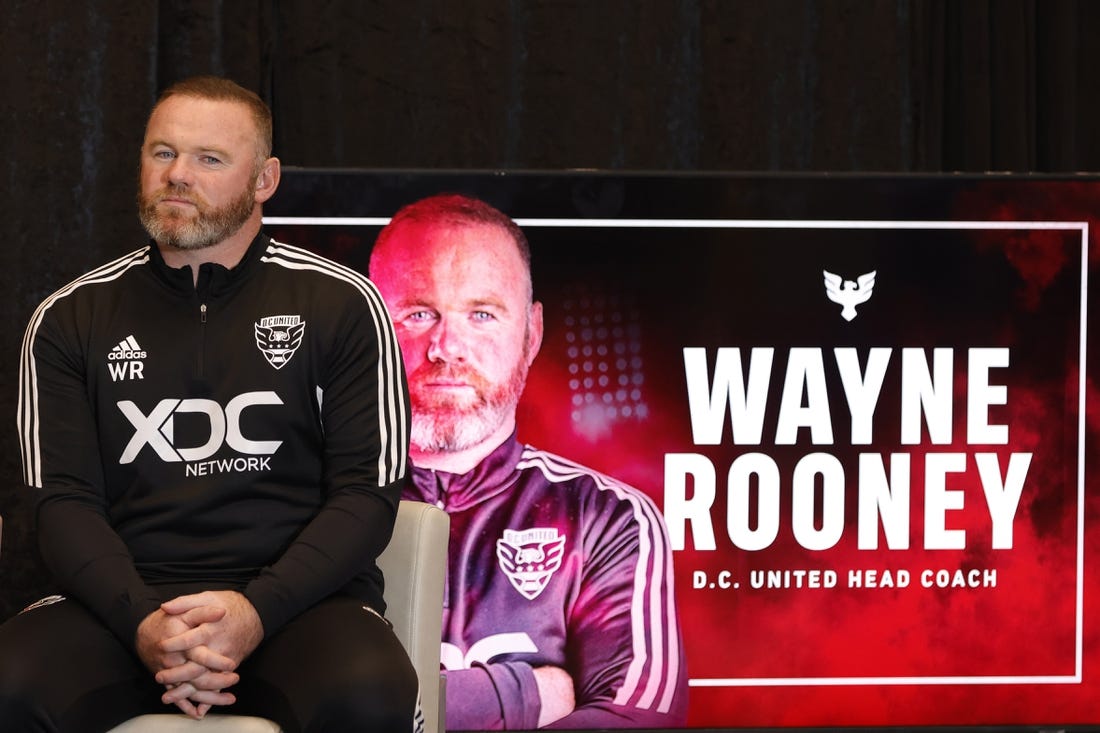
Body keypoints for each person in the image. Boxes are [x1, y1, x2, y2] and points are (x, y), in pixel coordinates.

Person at [0, 76, 418, 733]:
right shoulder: (68, 317)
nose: (177, 175)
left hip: (298, 607)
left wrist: (253, 613)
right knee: (11, 685)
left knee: (366, 692)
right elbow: (61, 504)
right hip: (115, 609)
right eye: (162, 153)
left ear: (265, 179)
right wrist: (144, 622)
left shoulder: (344, 305)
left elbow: (366, 495)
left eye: (209, 158)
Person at [369, 194, 688, 729]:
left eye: (482, 314)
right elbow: (285, 701)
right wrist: (530, 693)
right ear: (370, 330)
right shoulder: (305, 503)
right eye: (419, 313)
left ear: (531, 334)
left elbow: (637, 720)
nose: (446, 346)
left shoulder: (607, 518)